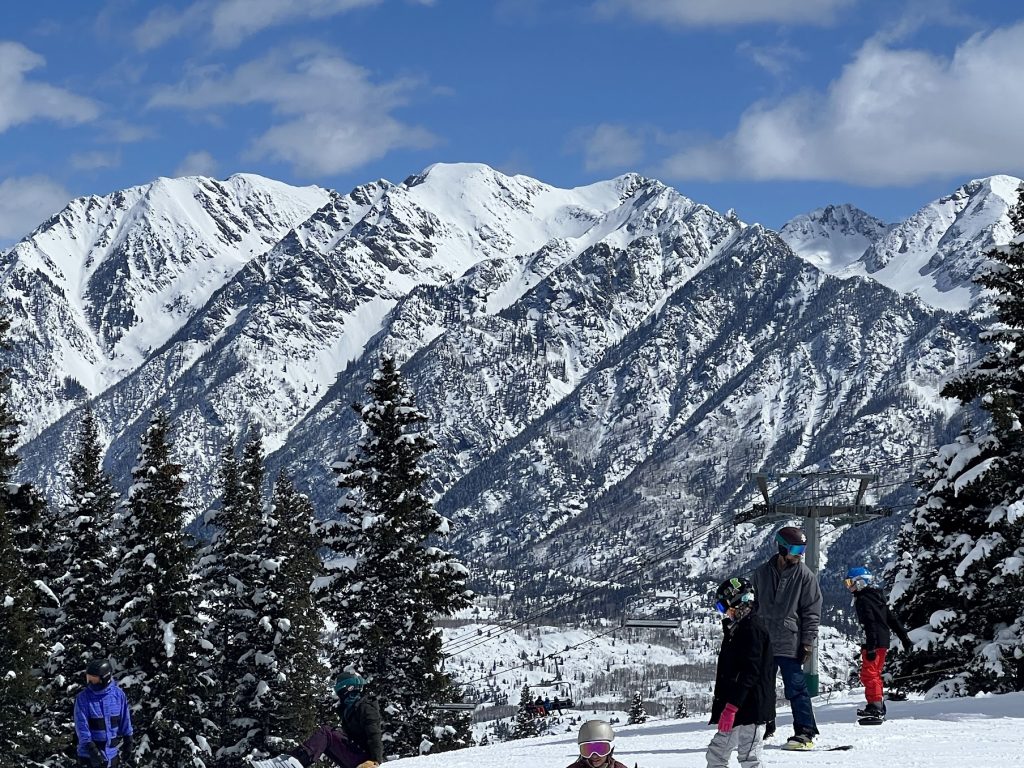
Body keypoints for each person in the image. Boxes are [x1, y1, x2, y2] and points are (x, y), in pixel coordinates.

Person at [751, 526, 822, 750]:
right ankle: (762, 727)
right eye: (795, 548)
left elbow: (812, 612)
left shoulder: (805, 576)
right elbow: (753, 607)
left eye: (802, 549)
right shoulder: (761, 573)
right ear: (781, 547)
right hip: (763, 642)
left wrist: (807, 642)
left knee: (796, 688)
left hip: (790, 643)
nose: (799, 553)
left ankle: (805, 731)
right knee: (761, 687)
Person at [707, 576, 773, 768]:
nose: (724, 613)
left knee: (749, 757)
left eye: (723, 607)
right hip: (737, 706)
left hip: (749, 708)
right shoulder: (738, 628)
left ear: (737, 601)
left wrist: (731, 708)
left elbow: (750, 672)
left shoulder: (752, 629)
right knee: (716, 754)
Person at [250, 673, 383, 768]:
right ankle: (289, 760)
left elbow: (374, 733)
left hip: (367, 761)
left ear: (347, 688)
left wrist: (375, 761)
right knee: (327, 736)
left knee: (326, 732)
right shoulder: (349, 708)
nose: (337, 692)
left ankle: (293, 762)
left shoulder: (366, 706)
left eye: (338, 688)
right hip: (358, 757)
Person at [844, 566, 913, 720]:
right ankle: (875, 703)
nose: (848, 586)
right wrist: (905, 639)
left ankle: (875, 706)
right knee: (872, 674)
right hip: (881, 642)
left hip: (873, 643)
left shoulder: (863, 599)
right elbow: (891, 619)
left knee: (869, 674)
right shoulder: (876, 598)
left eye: (850, 582)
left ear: (860, 582)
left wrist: (870, 647)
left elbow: (870, 623)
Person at [74, 659, 134, 768]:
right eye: (89, 679)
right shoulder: (83, 698)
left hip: (112, 755)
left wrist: (128, 741)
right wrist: (93, 750)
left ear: (105, 678)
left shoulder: (118, 695)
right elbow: (81, 726)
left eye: (94, 679)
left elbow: (126, 720)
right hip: (89, 755)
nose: (90, 683)